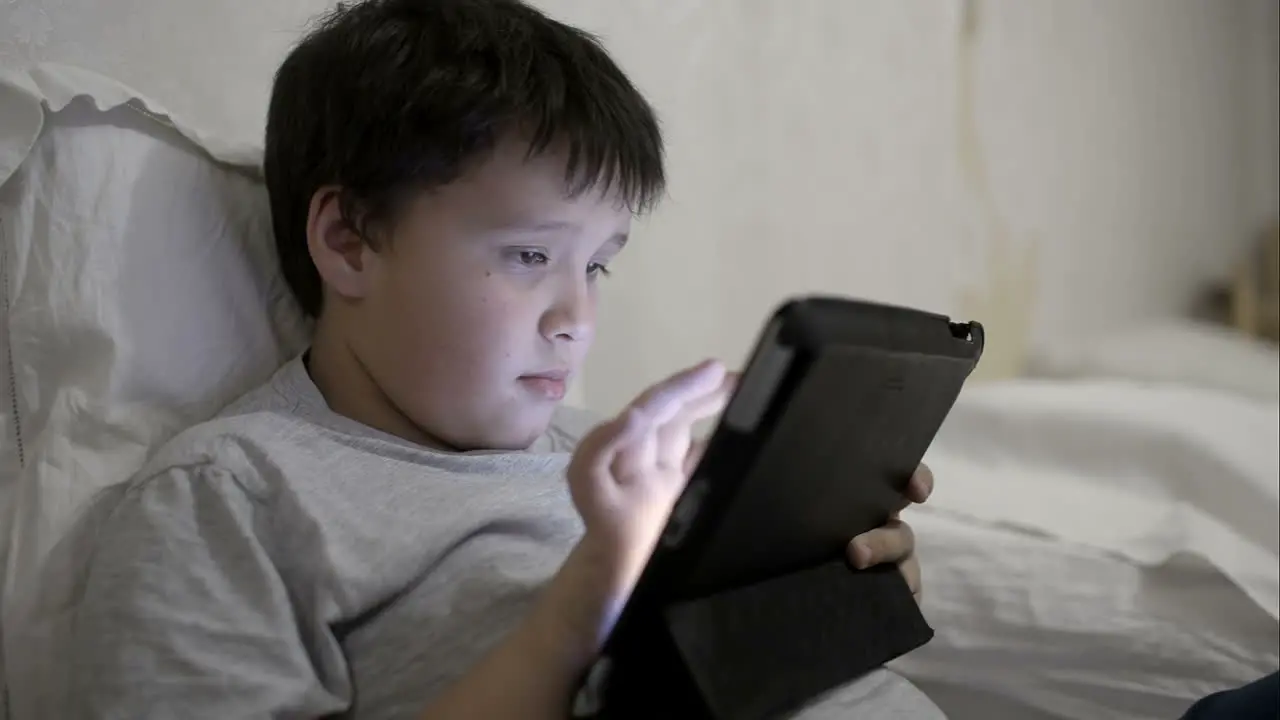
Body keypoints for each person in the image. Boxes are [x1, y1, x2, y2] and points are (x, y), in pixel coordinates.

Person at [21, 1, 942, 717]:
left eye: (599, 263)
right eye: (531, 255)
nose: (577, 316)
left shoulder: (602, 464)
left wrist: (830, 594)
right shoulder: (232, 499)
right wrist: (587, 596)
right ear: (348, 241)